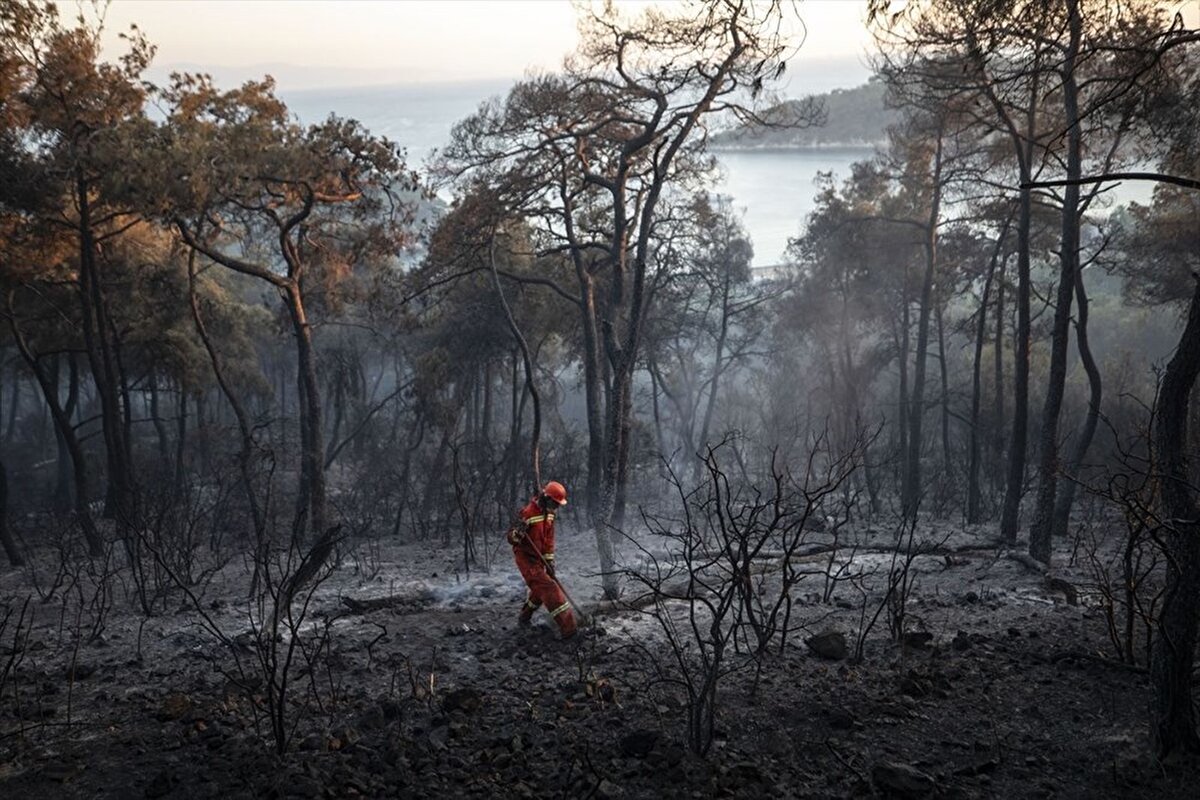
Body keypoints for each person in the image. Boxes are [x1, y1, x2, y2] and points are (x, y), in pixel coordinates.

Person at [507, 480, 576, 638]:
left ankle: (524, 617)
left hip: (539, 558)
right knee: (549, 589)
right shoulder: (528, 513)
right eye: (556, 503)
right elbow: (511, 538)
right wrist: (518, 533)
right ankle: (569, 629)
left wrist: (550, 561)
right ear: (547, 498)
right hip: (526, 558)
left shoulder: (550, 514)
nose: (557, 507)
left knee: (539, 590)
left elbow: (549, 540)